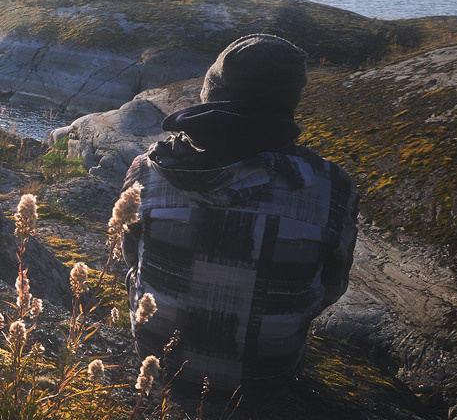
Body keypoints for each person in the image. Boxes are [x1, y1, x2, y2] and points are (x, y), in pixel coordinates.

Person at [118, 33, 358, 392]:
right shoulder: (333, 185)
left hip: (158, 359)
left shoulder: (147, 169)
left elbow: (130, 255)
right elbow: (332, 286)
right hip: (267, 376)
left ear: (210, 92)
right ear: (290, 100)